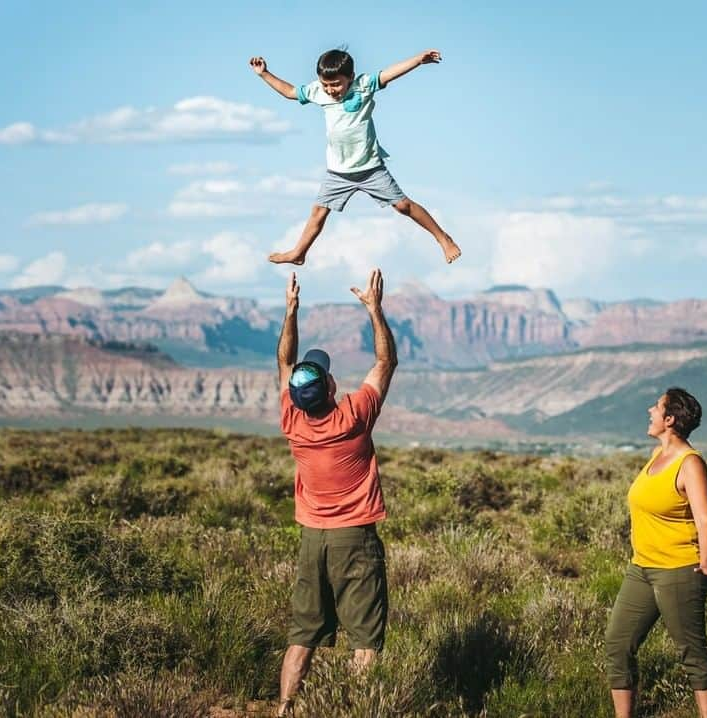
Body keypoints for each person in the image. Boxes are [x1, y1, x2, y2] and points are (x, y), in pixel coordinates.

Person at [274, 268, 398, 717]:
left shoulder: (293, 421)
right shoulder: (354, 415)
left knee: (302, 634)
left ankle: (285, 708)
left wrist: (290, 312)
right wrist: (374, 309)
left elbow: (284, 363)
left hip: (313, 541)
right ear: (330, 387)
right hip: (355, 540)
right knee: (364, 639)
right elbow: (385, 363)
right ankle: (356, 710)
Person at [250, 49, 462, 265]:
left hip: (370, 168)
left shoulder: (364, 85)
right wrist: (264, 73)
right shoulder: (318, 91)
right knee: (318, 212)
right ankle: (299, 252)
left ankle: (443, 238)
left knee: (403, 206)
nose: (331, 90)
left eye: (336, 84)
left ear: (350, 77)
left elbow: (389, 73)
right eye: (326, 85)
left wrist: (418, 60)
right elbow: (289, 92)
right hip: (338, 172)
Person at [604, 387, 707, 718]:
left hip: (680, 569)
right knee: (618, 645)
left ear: (670, 419)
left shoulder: (690, 463)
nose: (650, 410)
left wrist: (705, 563)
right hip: (641, 569)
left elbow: (705, 519)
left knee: (692, 652)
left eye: (656, 407)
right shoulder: (657, 456)